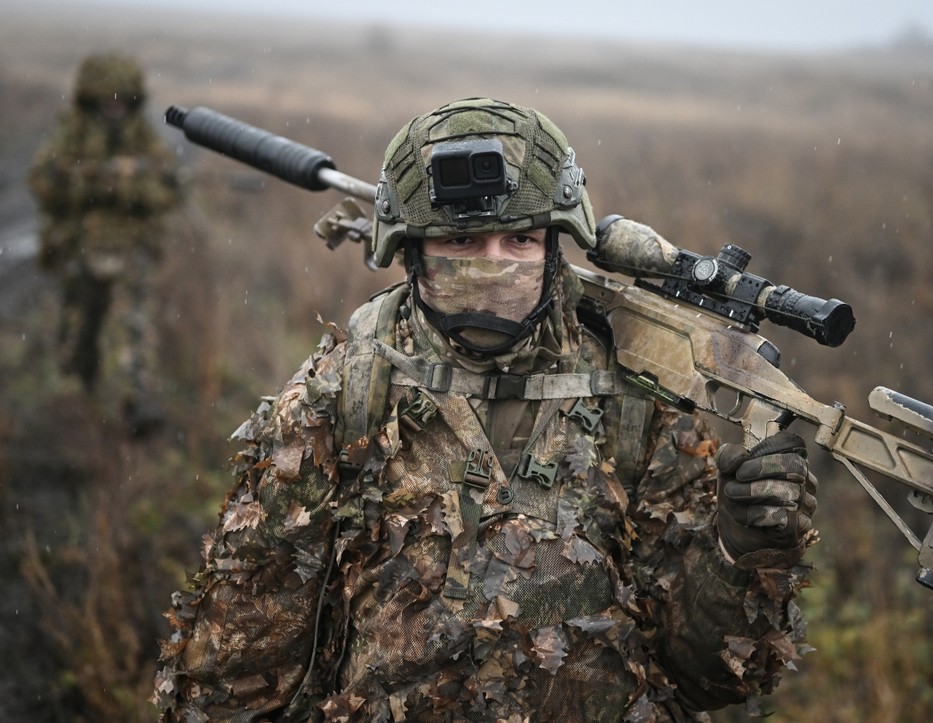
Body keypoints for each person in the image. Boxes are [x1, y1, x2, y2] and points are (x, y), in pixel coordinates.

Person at [153, 98, 816, 722]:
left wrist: (739, 550)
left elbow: (709, 676)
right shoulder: (341, 397)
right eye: (462, 245)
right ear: (411, 253)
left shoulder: (638, 398)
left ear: (556, 247)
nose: (493, 267)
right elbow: (238, 672)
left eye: (520, 242)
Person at [28, 53, 181, 434]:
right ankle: (78, 396)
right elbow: (43, 181)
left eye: (121, 100)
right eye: (107, 100)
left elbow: (168, 190)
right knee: (81, 324)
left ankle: (137, 400)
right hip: (80, 243)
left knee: (134, 322)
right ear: (91, 98)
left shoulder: (142, 137)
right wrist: (90, 184)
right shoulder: (73, 132)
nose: (114, 108)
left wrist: (130, 188)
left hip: (130, 245)